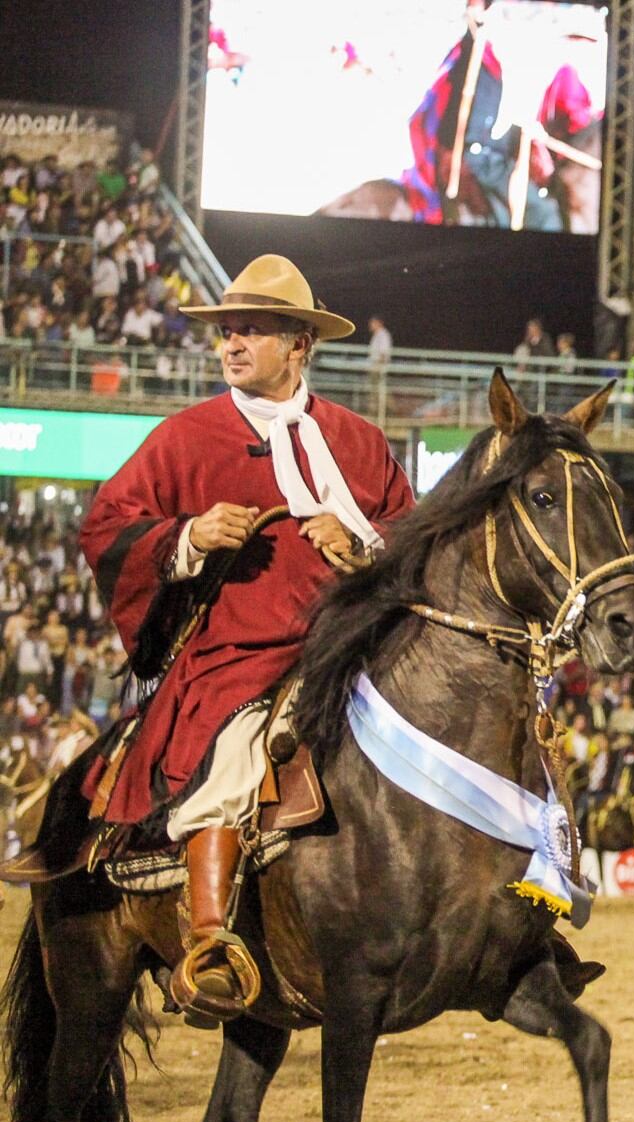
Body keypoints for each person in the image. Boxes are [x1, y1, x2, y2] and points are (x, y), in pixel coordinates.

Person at [79, 254, 415, 1023]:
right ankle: (208, 943)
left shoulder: (362, 444)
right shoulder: (185, 437)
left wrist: (364, 544)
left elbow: (412, 537)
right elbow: (105, 528)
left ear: (299, 344)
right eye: (227, 332)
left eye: (251, 331)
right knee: (233, 754)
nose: (231, 345)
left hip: (354, 651)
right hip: (240, 654)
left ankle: (519, 905)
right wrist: (186, 535)